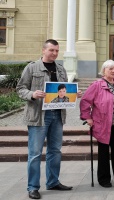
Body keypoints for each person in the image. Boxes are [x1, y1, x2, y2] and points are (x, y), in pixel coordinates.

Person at [16, 39, 81, 199]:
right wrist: (32, 94)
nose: (54, 53)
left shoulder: (61, 69)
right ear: (44, 50)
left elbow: (64, 90)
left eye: (57, 51)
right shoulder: (32, 68)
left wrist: (74, 94)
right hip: (38, 116)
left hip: (57, 115)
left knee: (55, 151)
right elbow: (20, 89)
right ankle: (33, 187)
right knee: (35, 153)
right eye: (51, 50)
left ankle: (53, 181)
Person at [80, 60, 114, 188]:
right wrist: (87, 117)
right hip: (103, 125)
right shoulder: (97, 85)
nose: (113, 71)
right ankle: (104, 179)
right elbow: (85, 101)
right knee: (103, 153)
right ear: (104, 70)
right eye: (110, 69)